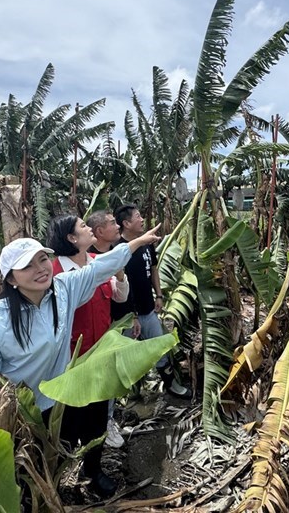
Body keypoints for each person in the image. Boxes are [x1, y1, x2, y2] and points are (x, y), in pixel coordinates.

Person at [0, 224, 161, 497]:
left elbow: (100, 268)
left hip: (63, 390)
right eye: (27, 266)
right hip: (27, 407)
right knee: (37, 462)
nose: (40, 269)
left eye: (42, 259)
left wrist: (134, 244)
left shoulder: (62, 289)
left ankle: (92, 472)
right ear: (12, 279)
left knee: (93, 422)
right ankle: (37, 495)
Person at [45, 214, 130, 493]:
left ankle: (93, 471)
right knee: (67, 424)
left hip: (99, 356)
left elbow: (120, 296)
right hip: (69, 362)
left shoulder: (97, 263)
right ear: (71, 239)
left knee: (97, 419)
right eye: (82, 227)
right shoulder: (54, 272)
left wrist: (118, 272)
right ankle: (54, 479)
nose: (88, 229)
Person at [114, 204, 191, 398]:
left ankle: (171, 385)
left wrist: (158, 294)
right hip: (127, 316)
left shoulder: (146, 243)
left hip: (148, 309)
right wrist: (132, 316)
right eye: (138, 216)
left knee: (160, 349)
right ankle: (129, 394)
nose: (142, 220)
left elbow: (154, 269)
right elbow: (121, 284)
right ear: (126, 223)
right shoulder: (119, 250)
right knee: (128, 356)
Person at [85, 210, 141, 448]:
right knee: (101, 379)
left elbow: (122, 294)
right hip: (95, 334)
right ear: (99, 231)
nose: (117, 226)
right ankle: (103, 424)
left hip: (119, 323)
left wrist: (133, 316)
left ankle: (109, 416)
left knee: (115, 375)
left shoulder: (115, 254)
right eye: (111, 223)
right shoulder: (91, 261)